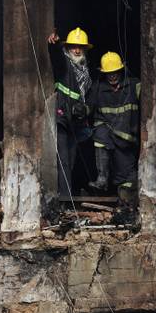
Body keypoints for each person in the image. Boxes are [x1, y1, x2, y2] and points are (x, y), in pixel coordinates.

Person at [48, 27, 94, 197]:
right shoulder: (65, 65)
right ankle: (65, 198)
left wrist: (84, 109)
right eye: (73, 47)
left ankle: (68, 196)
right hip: (62, 119)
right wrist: (54, 45)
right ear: (67, 48)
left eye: (80, 47)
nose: (77, 50)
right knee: (64, 160)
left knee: (72, 159)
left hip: (76, 123)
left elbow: (89, 98)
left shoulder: (86, 72)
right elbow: (56, 58)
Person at [89, 51, 140, 202]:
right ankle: (102, 178)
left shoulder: (134, 85)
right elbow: (88, 107)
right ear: (103, 73)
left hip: (126, 139)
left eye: (115, 72)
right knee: (100, 134)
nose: (112, 76)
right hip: (106, 131)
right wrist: (80, 109)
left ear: (121, 70)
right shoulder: (98, 88)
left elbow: (150, 99)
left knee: (127, 178)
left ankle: (125, 200)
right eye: (108, 73)